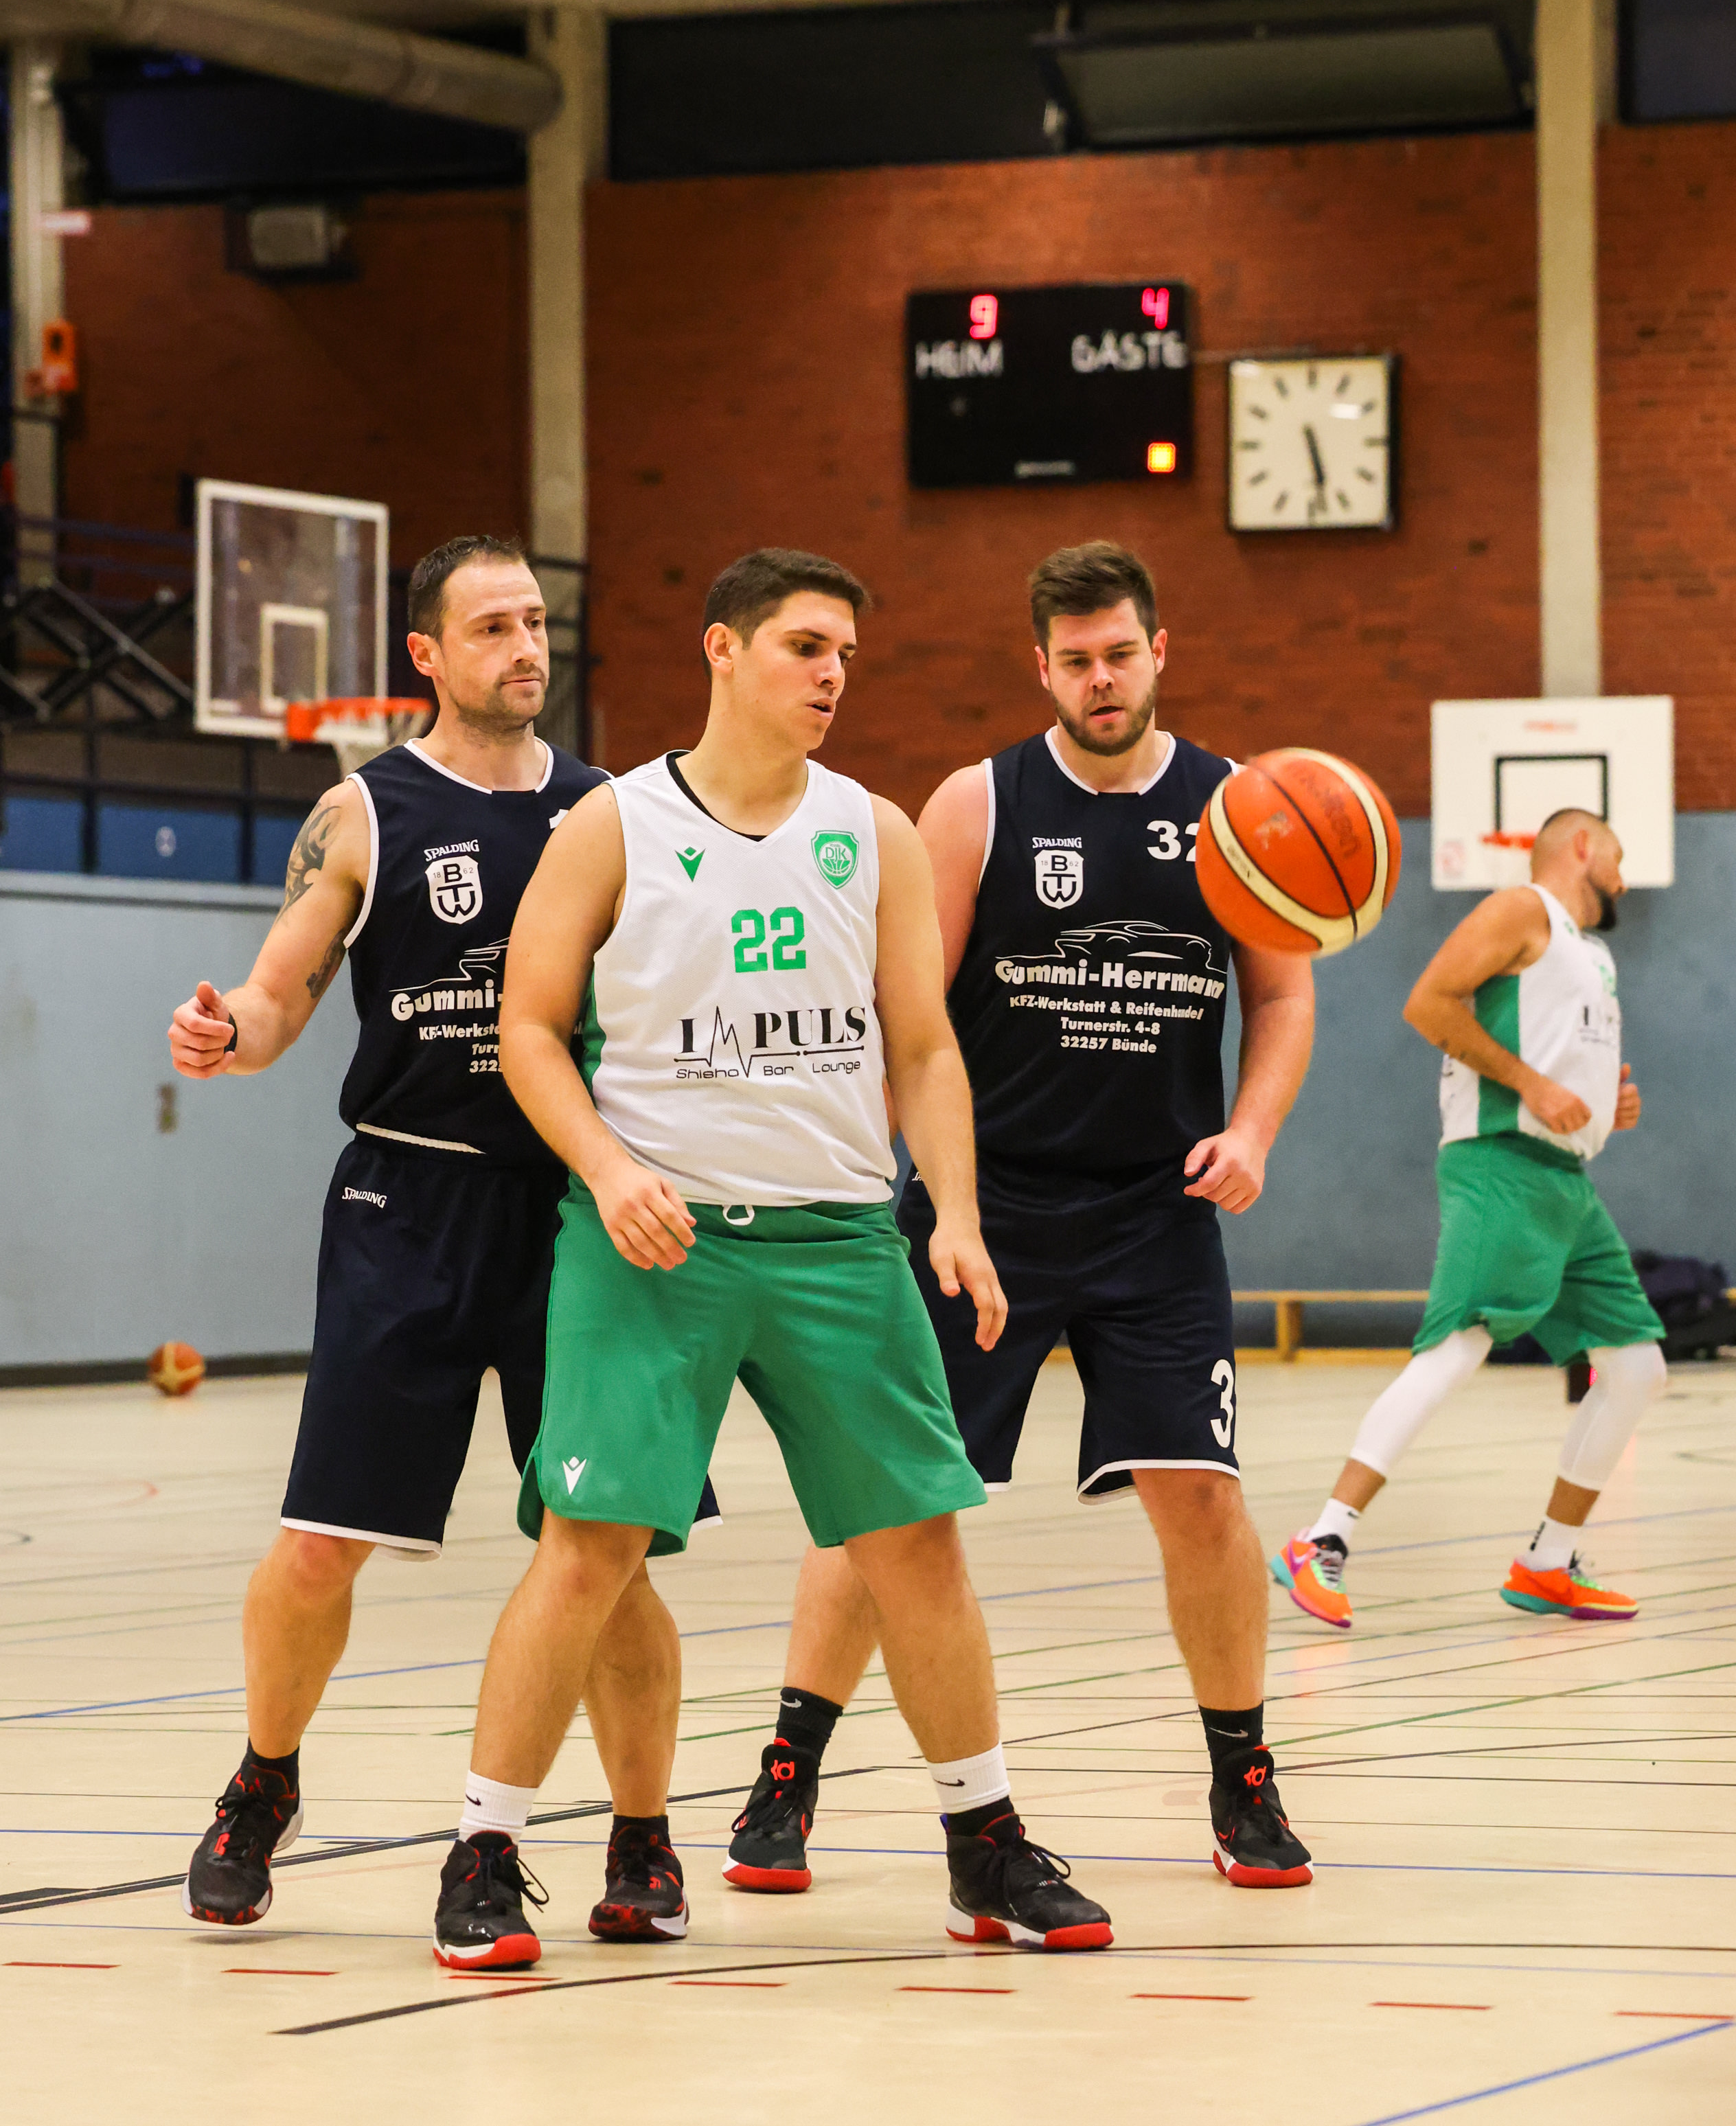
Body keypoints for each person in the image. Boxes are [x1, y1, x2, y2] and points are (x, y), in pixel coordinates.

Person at [439, 545, 1112, 1971]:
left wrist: (955, 1212)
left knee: (915, 1542)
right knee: (589, 1545)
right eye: (807, 646)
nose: (831, 675)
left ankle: (982, 1842)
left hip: (837, 1236)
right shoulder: (611, 824)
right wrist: (607, 1168)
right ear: (723, 649)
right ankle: (484, 1849)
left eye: (846, 655)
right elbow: (526, 1030)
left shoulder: (874, 831)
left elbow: (922, 1044)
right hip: (655, 1238)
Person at [724, 538, 1318, 1900]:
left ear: (1157, 651)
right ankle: (786, 1771)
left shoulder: (1237, 809)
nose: (1099, 677)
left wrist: (1251, 1131)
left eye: (1118, 653)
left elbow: (1282, 997)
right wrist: (881, 1183)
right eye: (1074, 659)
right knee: (885, 1504)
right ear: (1039, 666)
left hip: (1156, 1211)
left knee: (1200, 1493)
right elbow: (907, 1016)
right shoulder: (976, 803)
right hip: (979, 1211)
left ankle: (1241, 1777)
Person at [168, 537, 695, 1951]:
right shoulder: (366, 811)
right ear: (427, 653)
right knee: (320, 1543)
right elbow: (281, 991)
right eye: (492, 626)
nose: (525, 646)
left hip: (574, 1205)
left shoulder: (611, 809)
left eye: (535, 621)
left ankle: (641, 1835)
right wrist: (230, 1032)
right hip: (407, 1201)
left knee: (611, 1547)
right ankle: (263, 1777)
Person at [1273, 807, 1667, 1632]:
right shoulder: (1521, 909)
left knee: (1637, 1367)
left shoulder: (1592, 954)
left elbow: (1564, 1063)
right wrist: (1531, 1084)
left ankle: (1549, 1560)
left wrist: (1607, 1104)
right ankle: (1322, 1536)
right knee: (1457, 1346)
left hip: (1566, 1181)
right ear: (1582, 846)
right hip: (1500, 1163)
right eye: (1619, 857)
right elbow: (1428, 1003)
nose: (1626, 878)